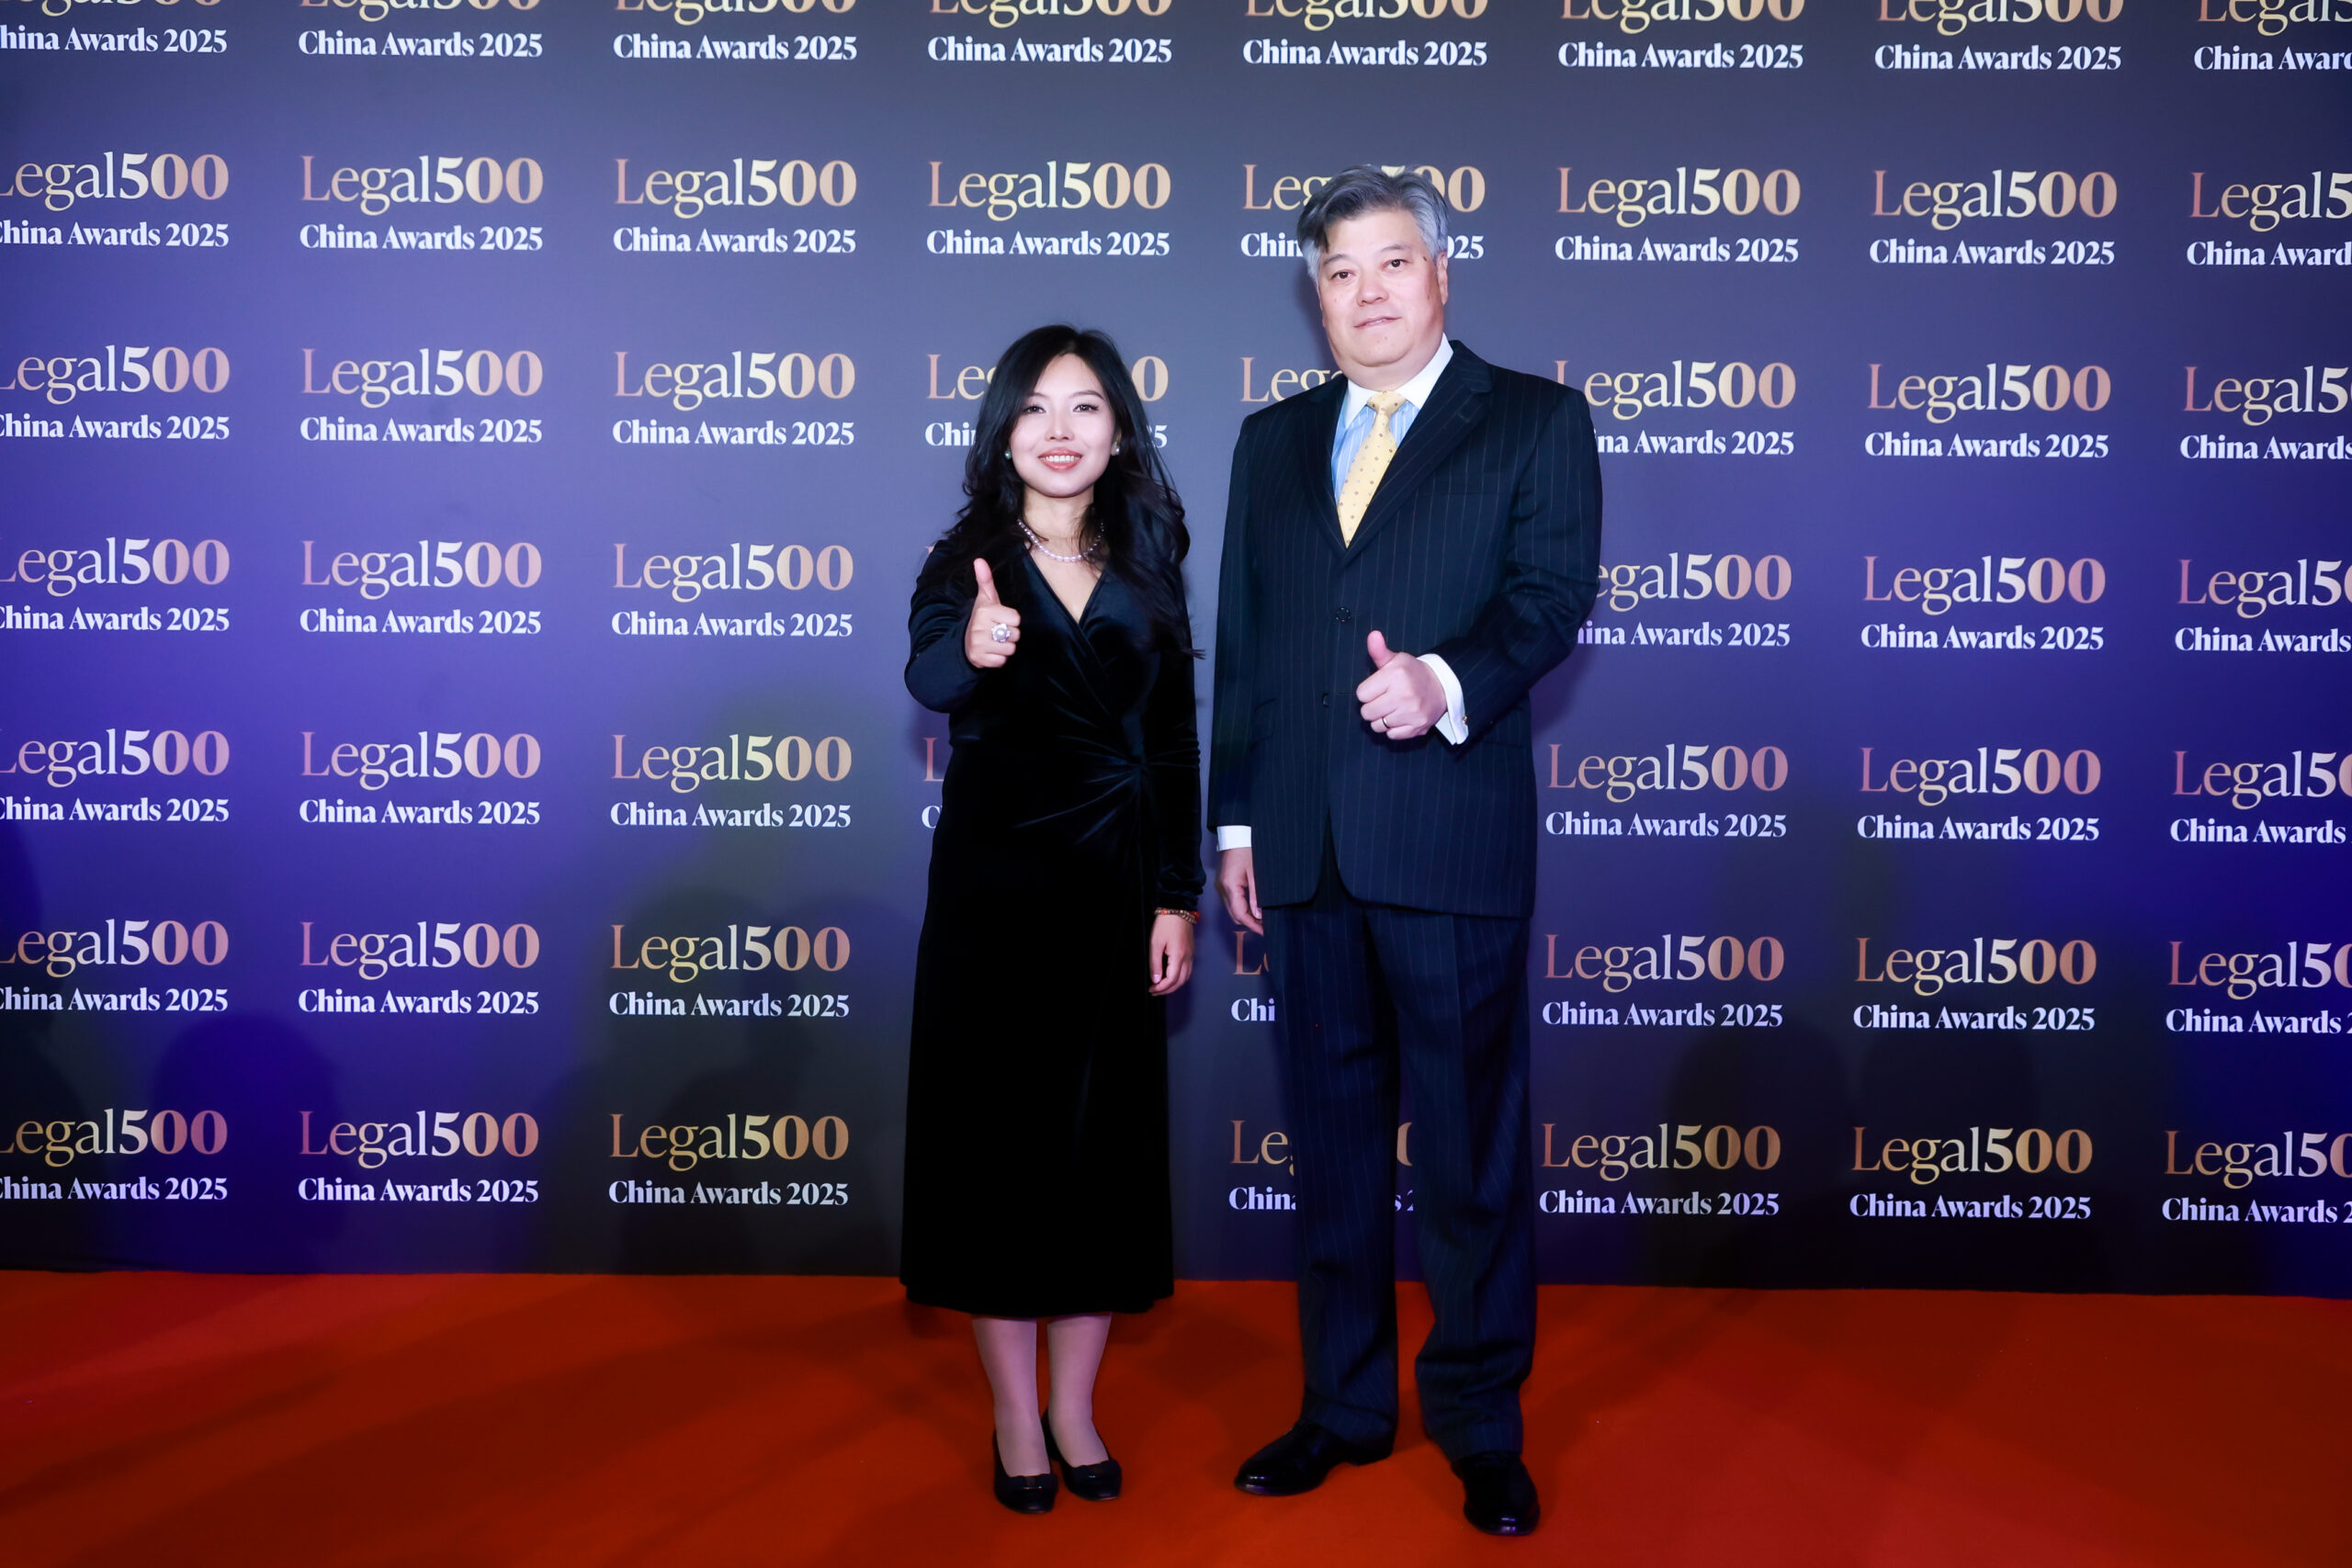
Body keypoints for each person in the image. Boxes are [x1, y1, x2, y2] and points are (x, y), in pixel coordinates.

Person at [1208, 167, 1602, 1537]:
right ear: (1315, 298)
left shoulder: (1535, 419)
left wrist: (1444, 679)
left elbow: (1551, 598)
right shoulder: (1271, 440)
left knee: (1469, 1157)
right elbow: (1248, 646)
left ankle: (1482, 1425)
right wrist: (1239, 821)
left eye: (1390, 263)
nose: (1366, 292)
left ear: (1440, 274)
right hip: (1303, 852)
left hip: (1446, 839)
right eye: (1339, 272)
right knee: (1330, 1153)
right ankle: (1343, 1407)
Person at [901, 326, 1204, 1515]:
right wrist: (970, 649)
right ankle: (1015, 1416)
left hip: (1116, 889)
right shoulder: (964, 560)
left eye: (1084, 407)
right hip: (997, 896)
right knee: (1004, 1154)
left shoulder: (1152, 555)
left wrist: (1175, 891)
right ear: (1003, 432)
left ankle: (1076, 1408)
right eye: (1034, 408)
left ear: (1119, 429)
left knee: (1097, 1154)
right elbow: (928, 675)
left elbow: (1171, 740)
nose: (1060, 430)